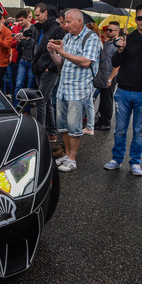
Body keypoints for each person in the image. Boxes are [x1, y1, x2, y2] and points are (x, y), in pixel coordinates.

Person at [104, 4, 142, 175]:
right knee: (120, 129)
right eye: (139, 18)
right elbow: (115, 62)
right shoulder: (127, 38)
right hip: (123, 91)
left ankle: (135, 162)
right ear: (136, 20)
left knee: (139, 131)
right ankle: (116, 159)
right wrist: (121, 49)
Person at [48, 9, 101, 172]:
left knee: (74, 125)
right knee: (62, 124)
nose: (65, 25)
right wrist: (53, 53)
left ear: (79, 21)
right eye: (64, 22)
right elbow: (61, 62)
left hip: (79, 89)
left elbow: (86, 62)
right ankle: (66, 154)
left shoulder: (90, 37)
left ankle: (72, 158)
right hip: (64, 86)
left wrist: (62, 51)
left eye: (68, 22)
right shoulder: (68, 37)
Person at [31, 3, 65, 142]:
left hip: (49, 69)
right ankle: (51, 133)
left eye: (38, 15)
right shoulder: (40, 28)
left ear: (46, 13)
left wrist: (50, 67)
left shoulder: (56, 29)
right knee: (47, 100)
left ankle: (40, 133)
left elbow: (58, 50)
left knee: (41, 100)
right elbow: (37, 46)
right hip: (39, 67)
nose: (36, 18)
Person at [94, 21, 121, 130]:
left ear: (117, 31)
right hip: (103, 75)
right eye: (107, 30)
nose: (108, 32)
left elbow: (117, 65)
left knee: (108, 99)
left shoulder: (117, 45)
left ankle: (106, 122)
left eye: (111, 30)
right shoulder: (108, 42)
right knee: (103, 99)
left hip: (110, 76)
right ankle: (101, 120)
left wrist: (110, 79)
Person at [13, 10, 37, 106]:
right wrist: (18, 41)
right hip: (23, 60)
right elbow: (19, 49)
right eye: (19, 21)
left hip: (32, 60)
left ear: (28, 18)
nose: (20, 23)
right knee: (18, 84)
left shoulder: (35, 29)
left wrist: (27, 38)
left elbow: (37, 45)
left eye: (22, 20)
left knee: (29, 86)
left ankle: (27, 108)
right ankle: (16, 106)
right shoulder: (21, 31)